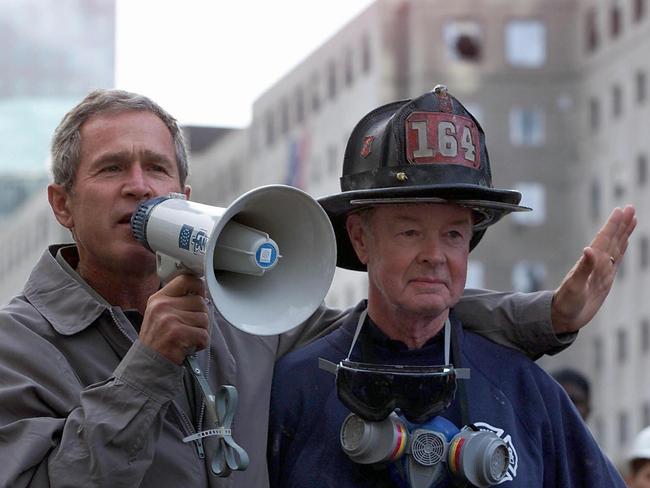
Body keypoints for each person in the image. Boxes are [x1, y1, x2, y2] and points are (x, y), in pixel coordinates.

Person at [0, 89, 632, 488]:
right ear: (61, 202)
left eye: (156, 168)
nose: (140, 187)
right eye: (112, 169)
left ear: (184, 198)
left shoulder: (249, 321)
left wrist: (548, 313)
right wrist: (146, 370)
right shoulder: (20, 345)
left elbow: (395, 310)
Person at [268, 86, 628, 487]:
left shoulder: (527, 392)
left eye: (454, 234)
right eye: (410, 231)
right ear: (360, 238)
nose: (434, 255)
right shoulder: (294, 390)